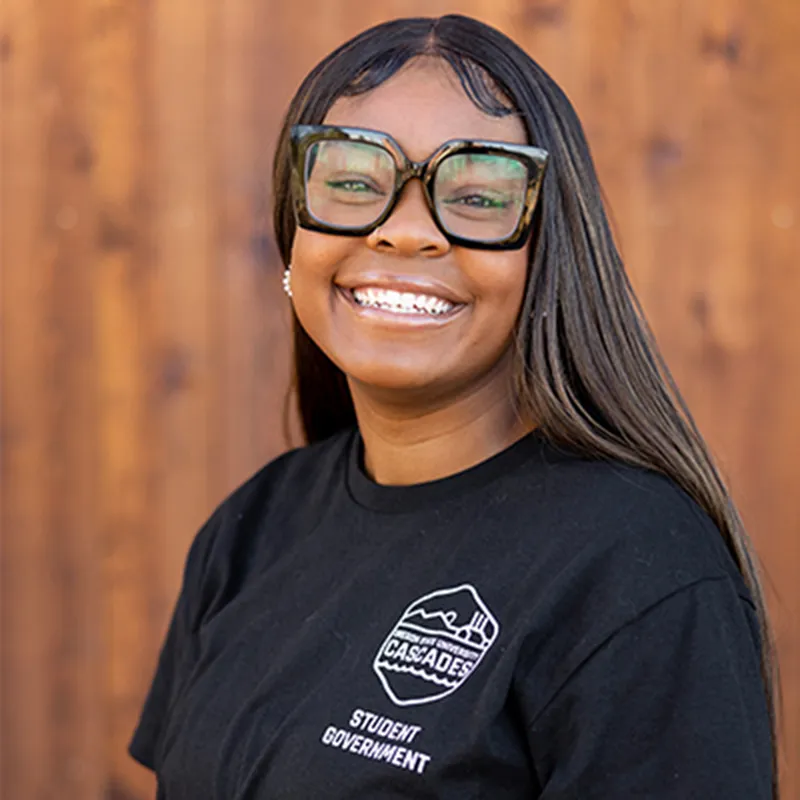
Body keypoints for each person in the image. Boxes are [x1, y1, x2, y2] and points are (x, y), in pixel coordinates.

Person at [129, 14, 780, 799]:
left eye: (475, 195)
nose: (406, 234)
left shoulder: (638, 570)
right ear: (293, 231)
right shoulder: (253, 528)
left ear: (548, 254)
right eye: (352, 182)